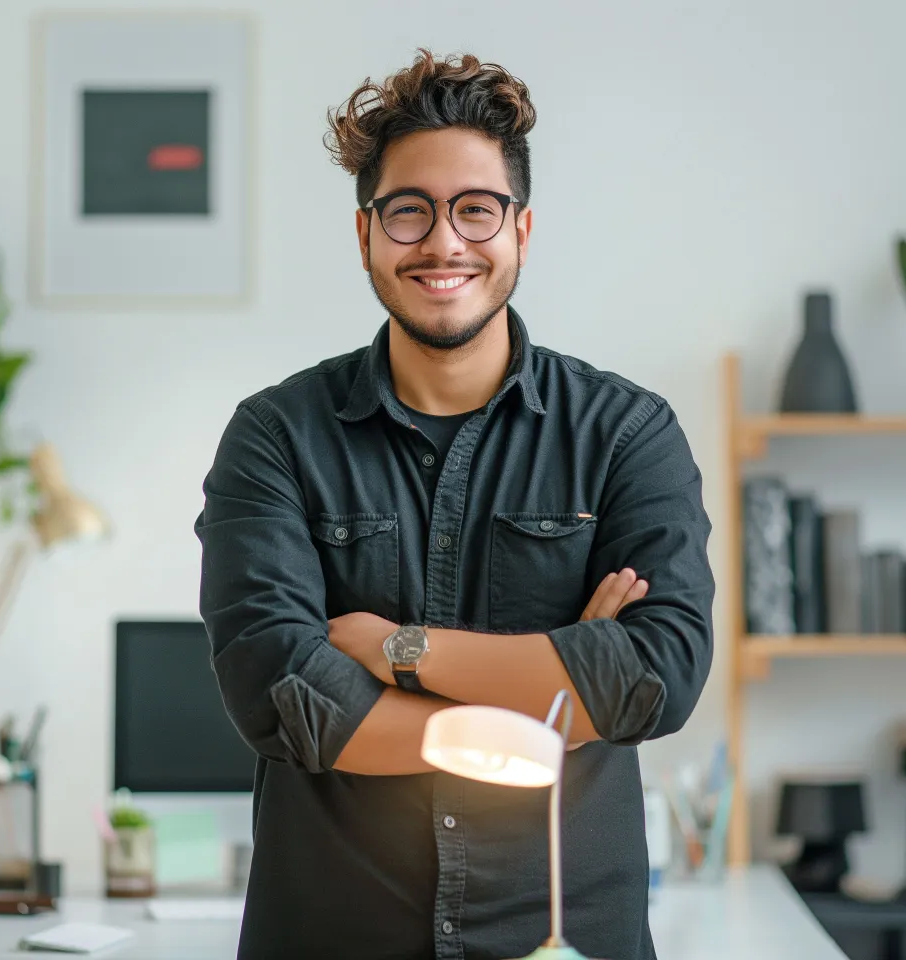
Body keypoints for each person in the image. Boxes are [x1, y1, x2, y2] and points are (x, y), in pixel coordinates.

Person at [195, 50, 713, 960]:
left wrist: (400, 652)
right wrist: (540, 715)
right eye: (409, 211)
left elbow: (654, 677)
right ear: (365, 236)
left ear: (521, 230)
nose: (444, 242)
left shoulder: (627, 433)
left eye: (476, 209)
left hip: (566, 937)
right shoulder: (276, 436)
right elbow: (281, 694)